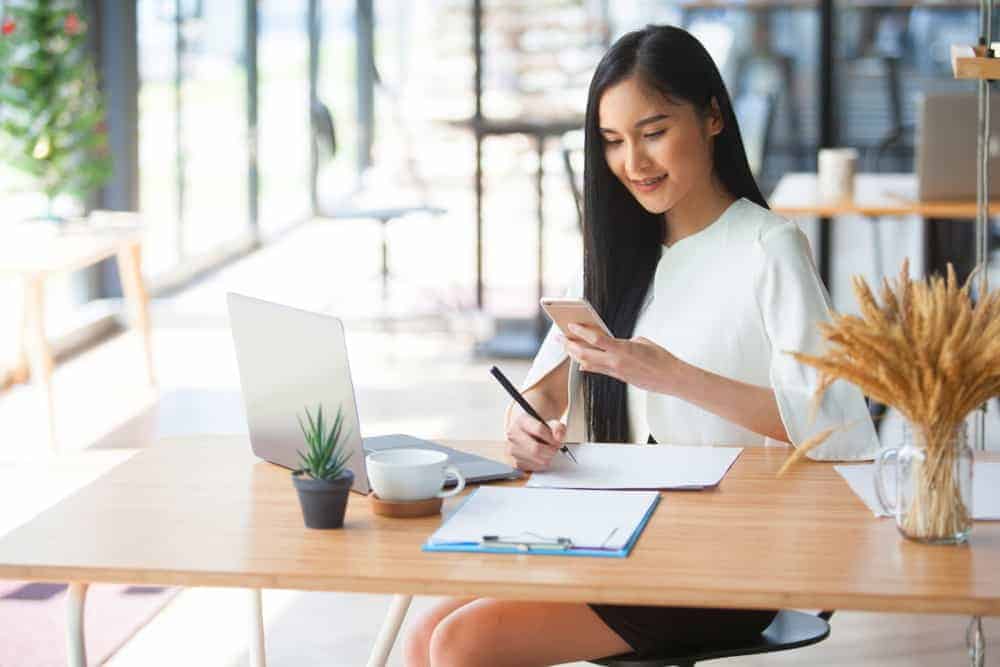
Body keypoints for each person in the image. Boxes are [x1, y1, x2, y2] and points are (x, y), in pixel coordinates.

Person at [403, 24, 878, 667]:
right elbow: (543, 392)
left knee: (462, 643)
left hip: (727, 551)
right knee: (427, 627)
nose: (634, 163)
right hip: (616, 526)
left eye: (653, 132)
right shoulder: (617, 253)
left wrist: (673, 376)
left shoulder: (769, 247)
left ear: (712, 116)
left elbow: (837, 429)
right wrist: (529, 424)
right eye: (613, 142)